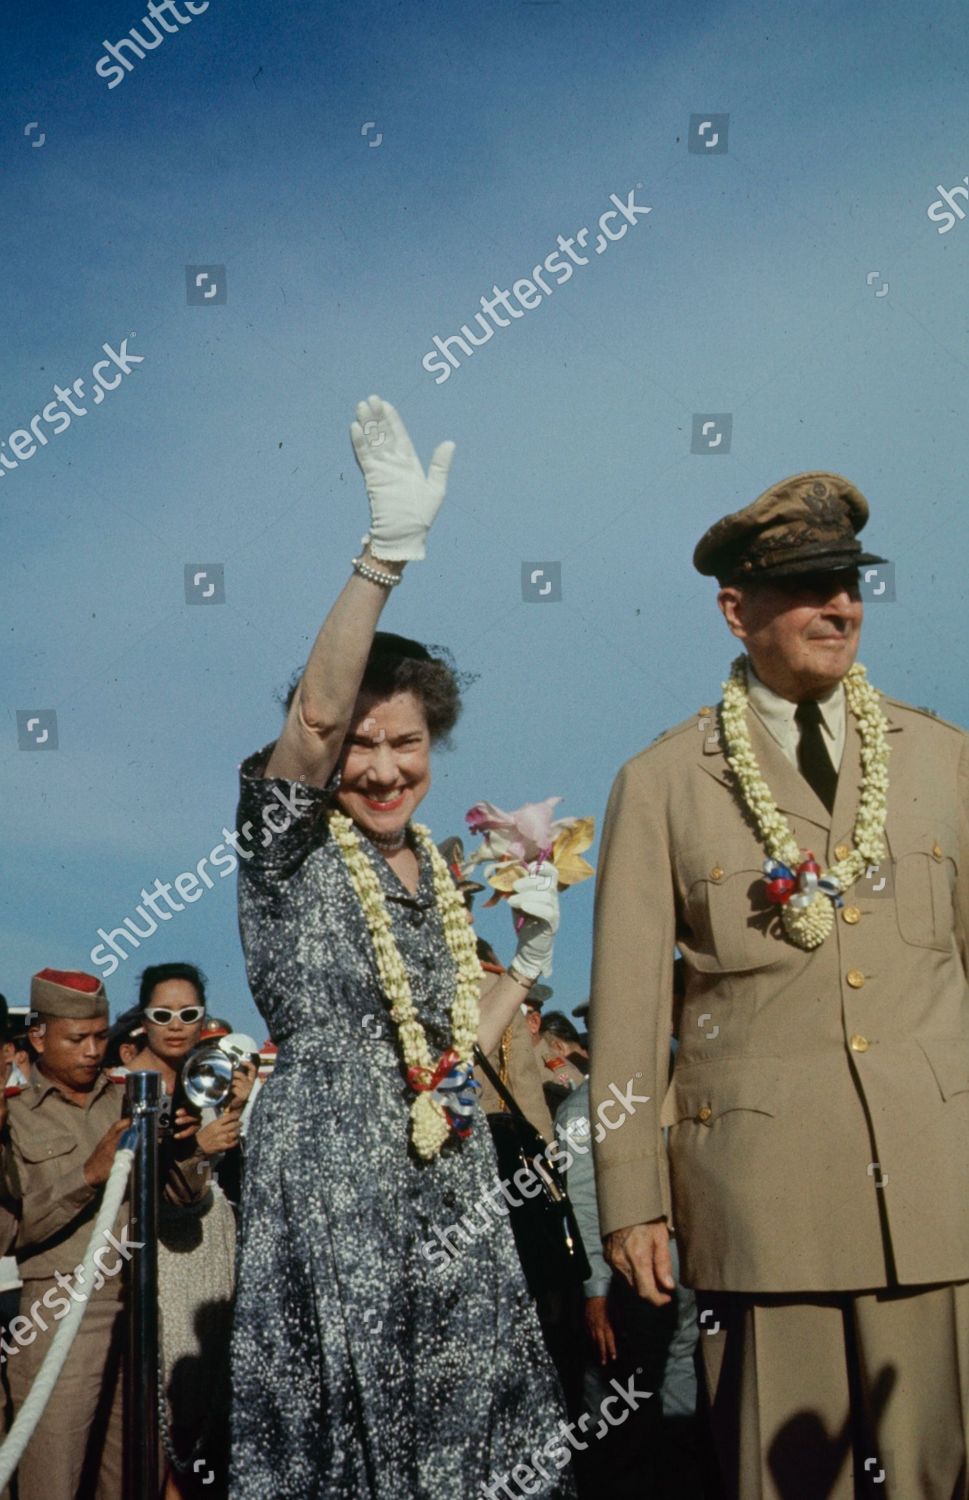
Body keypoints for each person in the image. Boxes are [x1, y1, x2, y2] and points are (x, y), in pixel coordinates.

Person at [588, 471, 969, 1499]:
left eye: (848, 582)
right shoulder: (664, 781)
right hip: (764, 1209)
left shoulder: (945, 760)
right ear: (736, 609)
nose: (840, 606)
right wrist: (631, 1201)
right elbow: (626, 1019)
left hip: (938, 1197)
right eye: (808, 586)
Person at [229, 395, 574, 1499]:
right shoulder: (290, 843)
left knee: (471, 1433)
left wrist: (522, 964)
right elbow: (318, 722)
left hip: (449, 1170)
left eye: (408, 742)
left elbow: (447, 1044)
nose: (381, 768)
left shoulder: (431, 873)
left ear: (438, 744)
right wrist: (385, 557)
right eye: (363, 745)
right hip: (332, 1177)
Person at [1, 968, 206, 1500]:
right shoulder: (14, 1116)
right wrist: (87, 1175)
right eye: (77, 1039)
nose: (94, 1051)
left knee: (135, 1475)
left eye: (100, 1035)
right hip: (58, 1309)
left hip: (138, 1306)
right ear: (38, 1036)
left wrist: (182, 1146)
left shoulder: (128, 1097)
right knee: (55, 1478)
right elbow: (9, 1231)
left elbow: (182, 1199)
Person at [126, 962, 241, 1498]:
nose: (176, 1024)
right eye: (163, 1014)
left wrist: (235, 1107)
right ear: (144, 1019)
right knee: (164, 1398)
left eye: (189, 1014)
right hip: (159, 1251)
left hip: (210, 1246)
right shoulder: (125, 1085)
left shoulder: (207, 1075)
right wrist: (198, 1150)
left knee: (204, 1396)